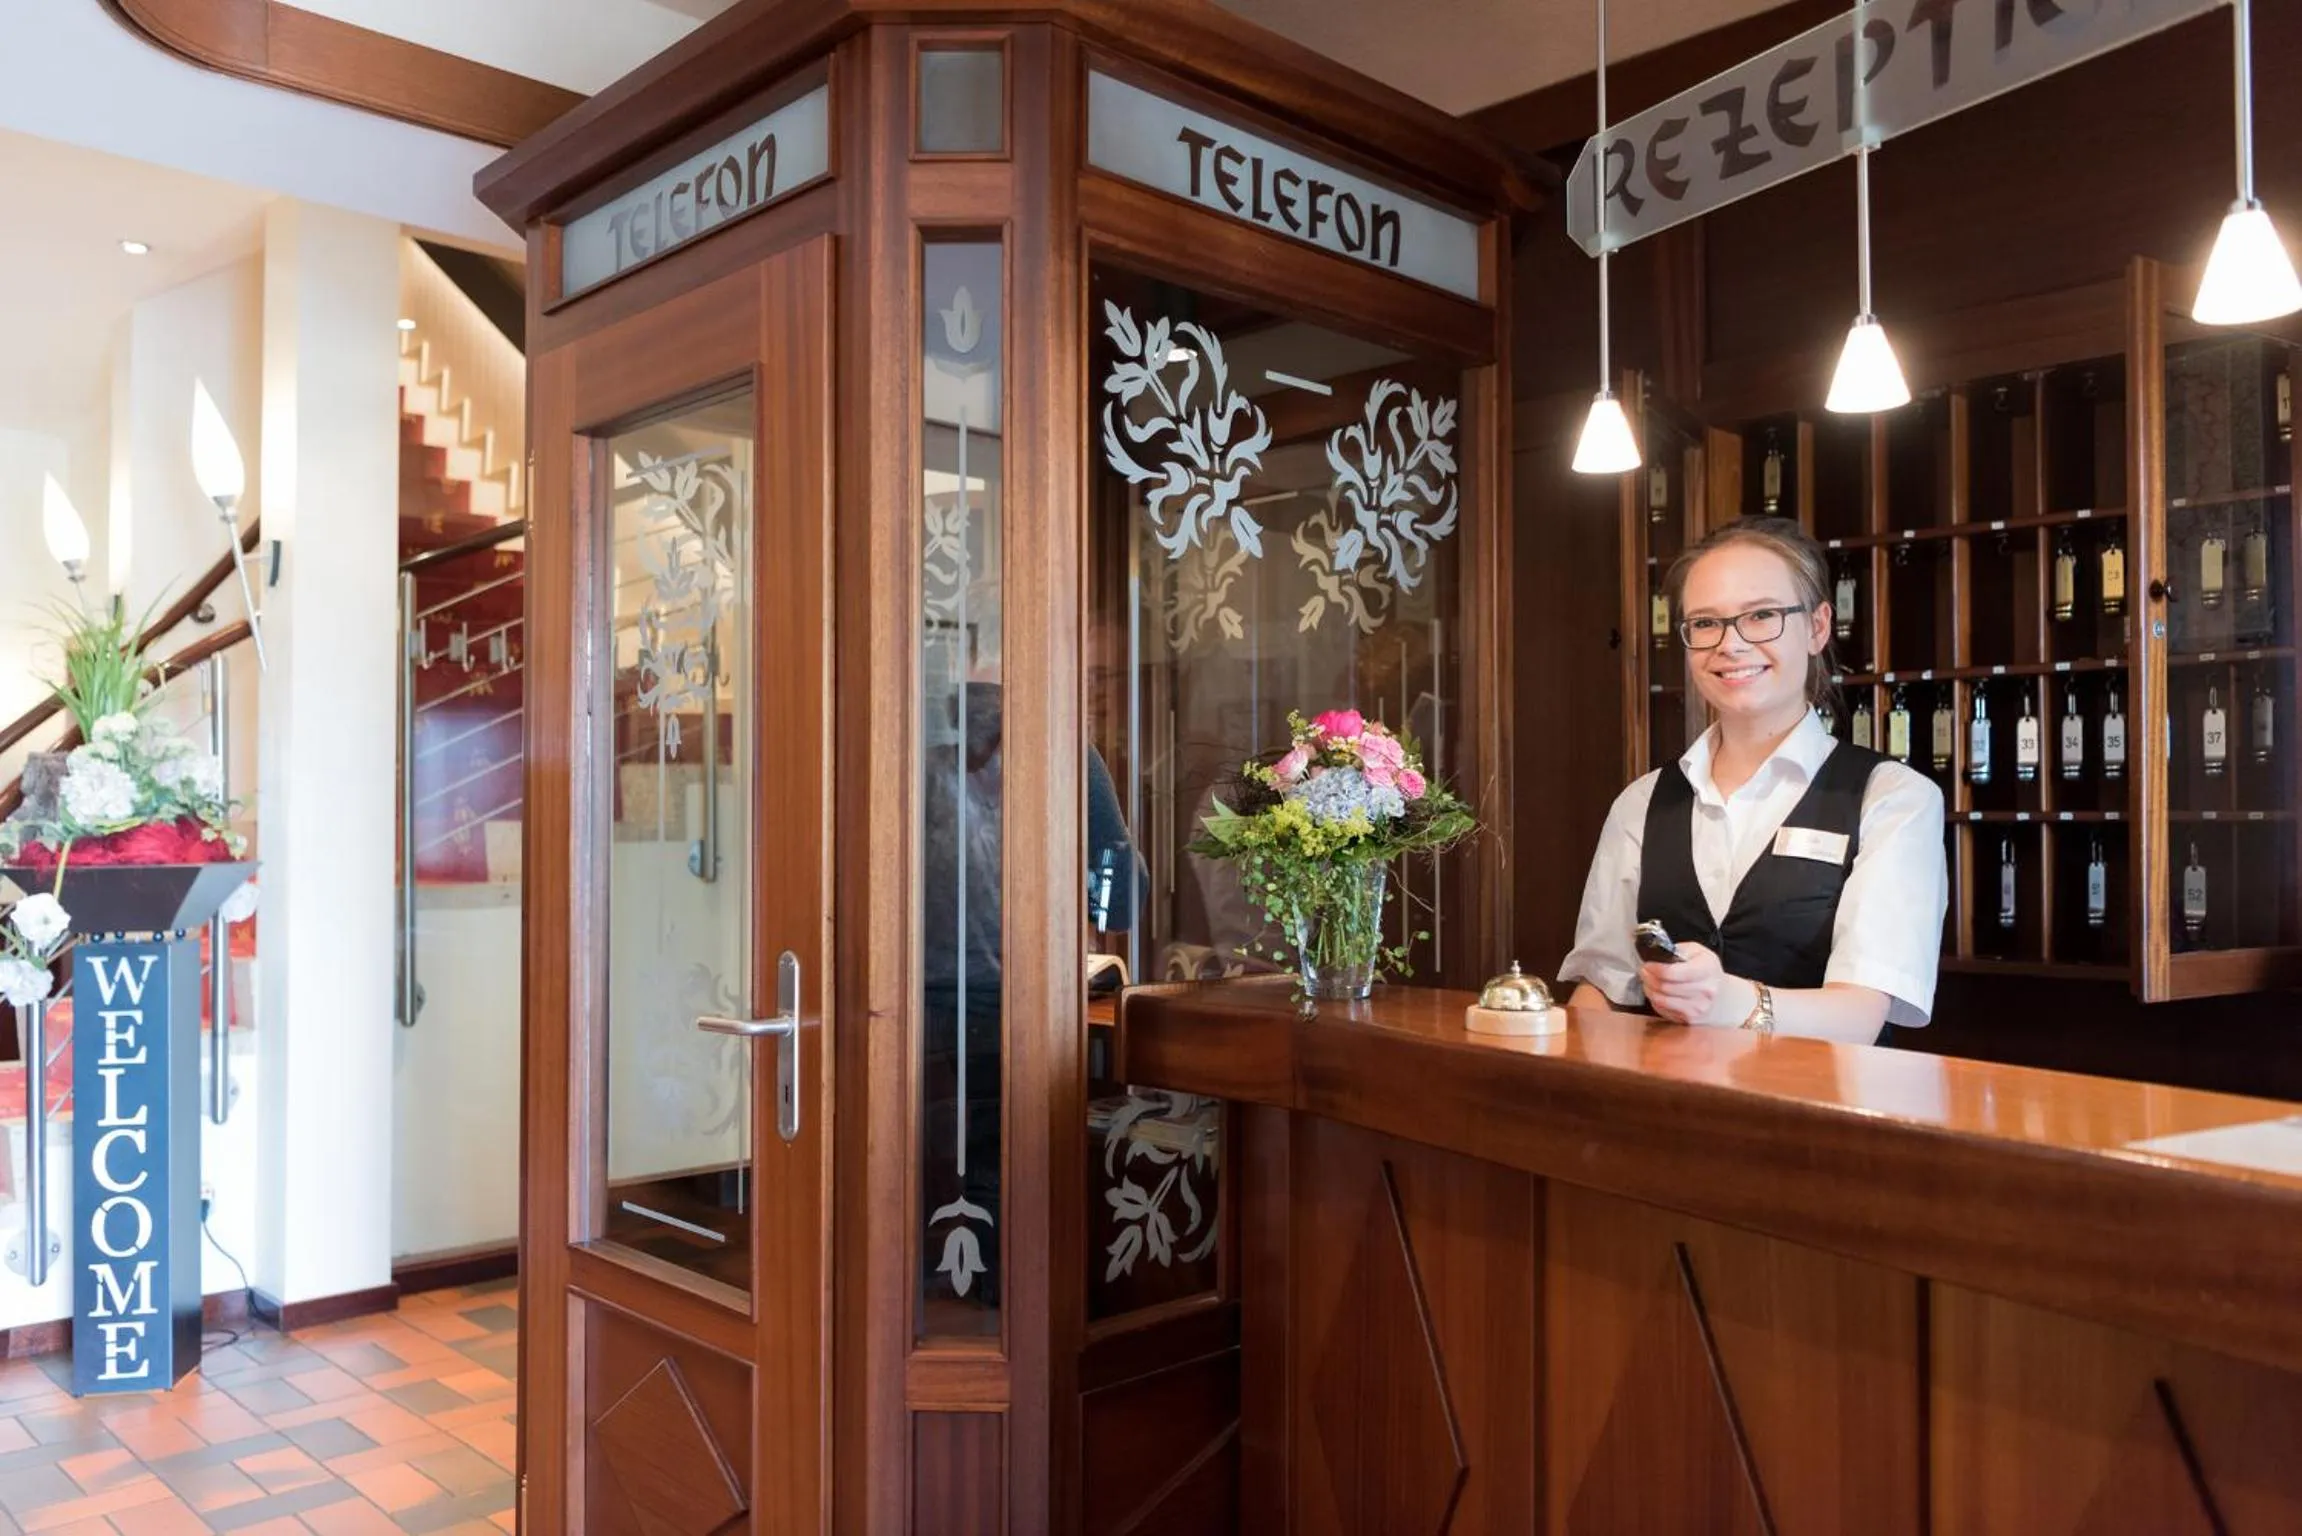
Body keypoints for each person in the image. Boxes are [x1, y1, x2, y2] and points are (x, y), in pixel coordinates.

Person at [1559, 517, 1947, 1045]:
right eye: (1705, 623)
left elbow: (1859, 1017)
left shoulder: (1893, 799)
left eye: (1762, 615)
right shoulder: (1643, 802)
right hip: (1666, 1113)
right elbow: (1603, 990)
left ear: (1817, 627)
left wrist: (1729, 1000)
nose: (1730, 644)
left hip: (1816, 1116)